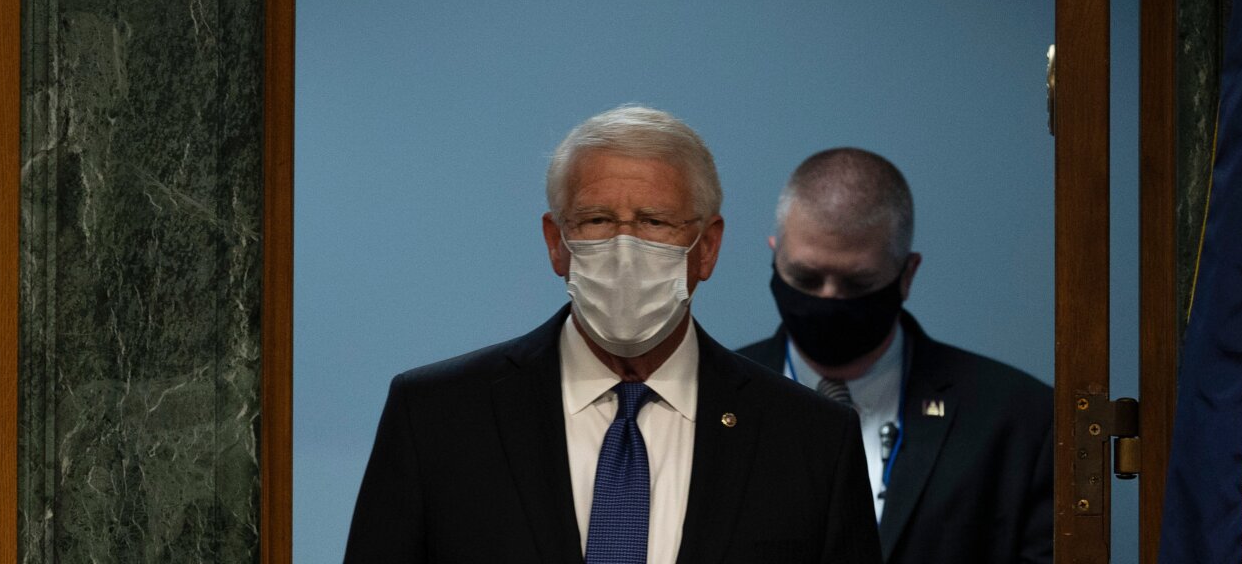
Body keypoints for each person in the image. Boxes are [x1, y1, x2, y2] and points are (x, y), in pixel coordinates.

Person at [344, 106, 882, 564]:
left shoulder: (812, 440)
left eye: (654, 222)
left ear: (708, 247)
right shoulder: (437, 416)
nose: (625, 247)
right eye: (597, 220)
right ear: (557, 243)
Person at [738, 148, 1053, 564]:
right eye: (806, 278)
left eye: (857, 282)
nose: (829, 299)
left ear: (907, 274)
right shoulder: (713, 398)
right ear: (775, 255)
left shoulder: (1020, 421)